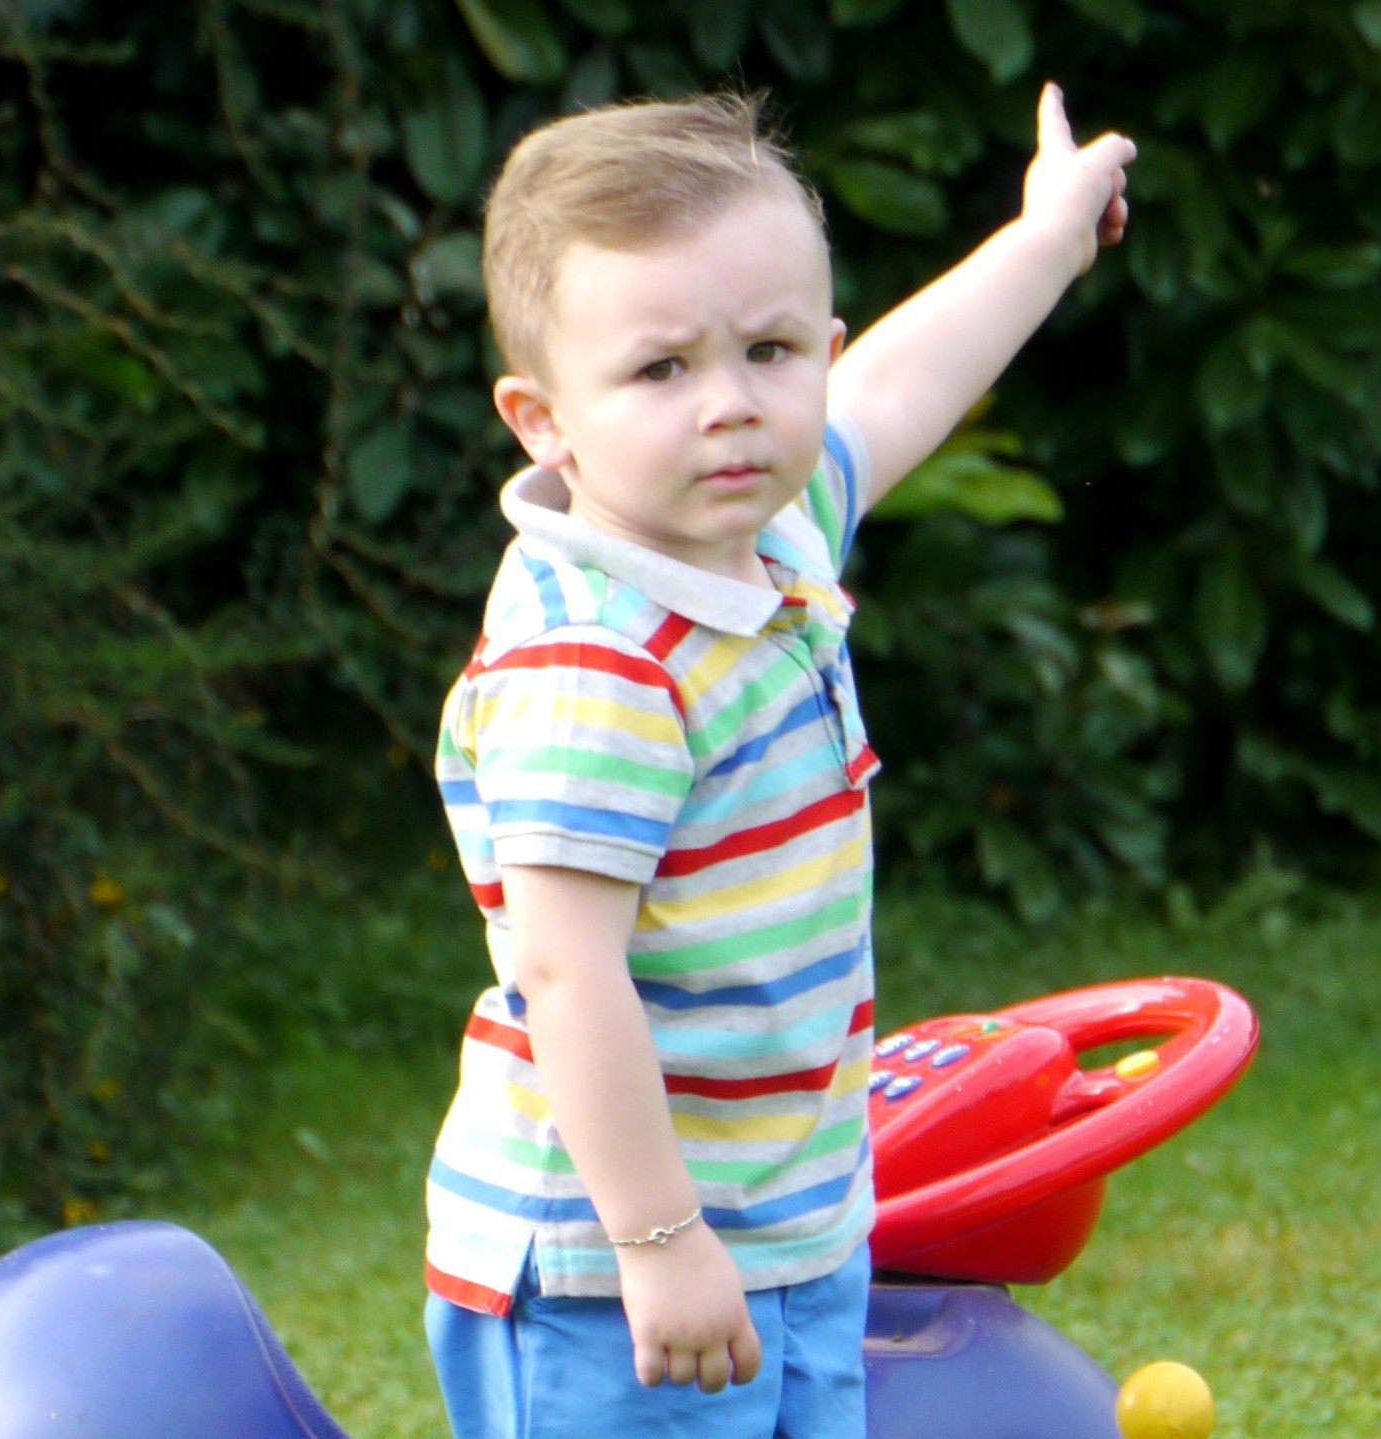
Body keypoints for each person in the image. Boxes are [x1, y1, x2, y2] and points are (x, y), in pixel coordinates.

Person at [419, 84, 1135, 1439]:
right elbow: (569, 976)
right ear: (541, 418)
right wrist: (660, 1239)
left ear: (823, 348)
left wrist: (1047, 237)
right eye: (661, 371)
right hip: (603, 1262)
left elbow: (907, 380)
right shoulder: (597, 667)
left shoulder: (776, 536)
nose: (731, 408)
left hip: (791, 1222)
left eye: (770, 350)